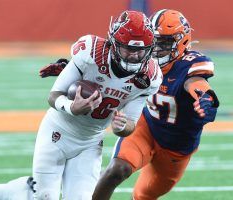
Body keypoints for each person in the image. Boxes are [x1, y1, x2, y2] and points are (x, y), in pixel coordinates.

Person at [0, 10, 162, 200]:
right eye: (128, 49)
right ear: (114, 44)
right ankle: (19, 191)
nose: (135, 56)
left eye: (141, 50)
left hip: (90, 142)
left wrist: (121, 127)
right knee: (44, 197)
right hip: (57, 132)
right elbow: (53, 96)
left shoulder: (150, 77)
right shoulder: (92, 53)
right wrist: (71, 107)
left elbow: (130, 124)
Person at [91, 9, 219, 200]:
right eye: (155, 42)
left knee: (144, 195)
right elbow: (108, 64)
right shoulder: (142, 58)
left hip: (177, 147)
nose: (157, 48)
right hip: (146, 128)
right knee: (117, 170)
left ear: (181, 41)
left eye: (165, 43)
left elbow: (195, 82)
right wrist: (76, 69)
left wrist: (205, 97)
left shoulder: (191, 64)